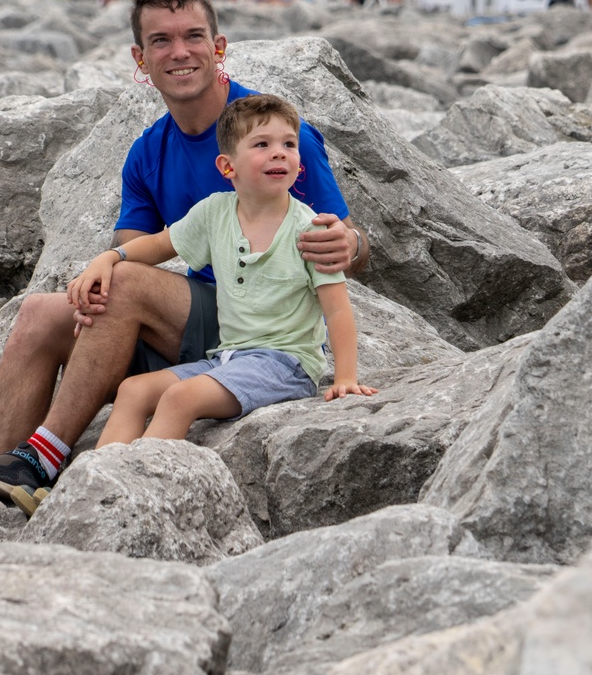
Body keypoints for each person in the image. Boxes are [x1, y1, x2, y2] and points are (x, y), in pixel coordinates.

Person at [0, 0, 370, 513]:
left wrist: (350, 243)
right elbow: (140, 252)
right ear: (140, 57)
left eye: (194, 36)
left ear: (218, 47)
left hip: (259, 327)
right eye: (161, 41)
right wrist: (100, 277)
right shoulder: (148, 151)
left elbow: (352, 248)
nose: (180, 52)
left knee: (121, 283)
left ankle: (44, 459)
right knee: (40, 312)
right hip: (189, 320)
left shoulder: (271, 135)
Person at [65, 93, 375, 452]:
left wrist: (345, 379)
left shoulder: (311, 230)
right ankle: (100, 480)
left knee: (180, 398)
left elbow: (337, 309)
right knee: (133, 390)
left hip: (285, 364)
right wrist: (111, 257)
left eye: (289, 144)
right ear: (228, 167)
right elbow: (160, 244)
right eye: (262, 144)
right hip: (227, 357)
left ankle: (139, 478)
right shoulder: (215, 212)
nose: (279, 152)